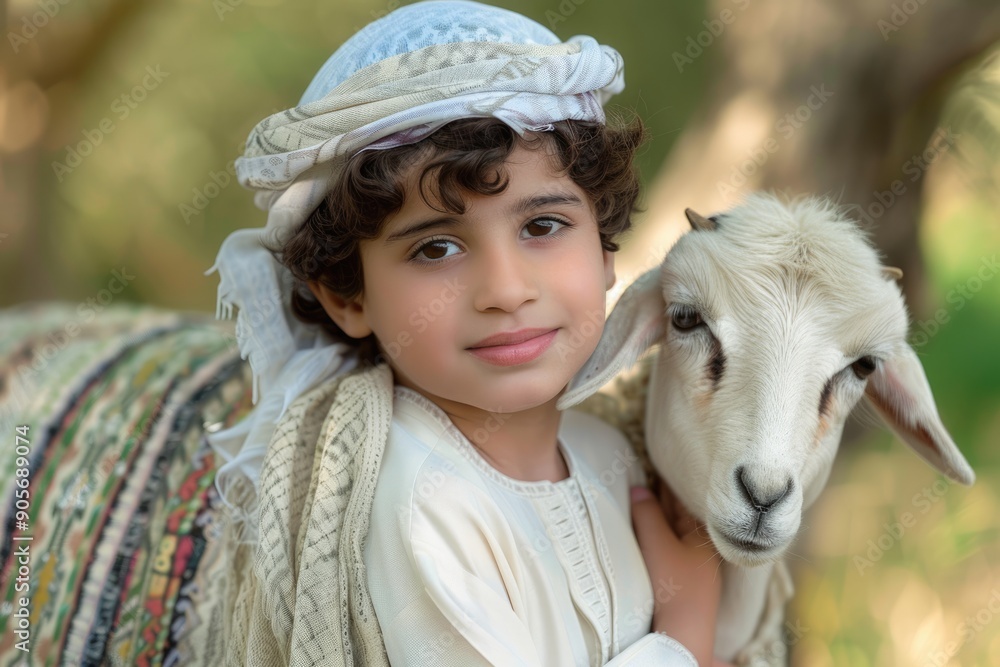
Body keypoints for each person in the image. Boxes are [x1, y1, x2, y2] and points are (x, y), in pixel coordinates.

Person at [205, 1, 734, 665]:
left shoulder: (608, 453)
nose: (506, 290)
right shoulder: (419, 503)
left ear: (604, 250)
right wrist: (688, 633)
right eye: (435, 249)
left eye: (542, 226)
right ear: (346, 295)